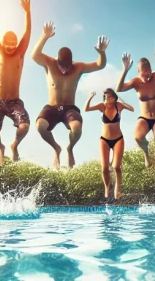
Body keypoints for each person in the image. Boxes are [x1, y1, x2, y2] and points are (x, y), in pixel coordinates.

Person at [32, 22, 109, 170]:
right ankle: (56, 148)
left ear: (71, 63)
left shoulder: (78, 67)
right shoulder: (49, 63)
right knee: (40, 126)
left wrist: (102, 52)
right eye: (62, 66)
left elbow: (100, 65)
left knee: (77, 129)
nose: (64, 70)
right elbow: (34, 55)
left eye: (67, 66)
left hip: (69, 109)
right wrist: (44, 36)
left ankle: (70, 148)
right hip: (52, 108)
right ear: (57, 61)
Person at [0, 0, 31, 166]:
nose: (11, 47)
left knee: (24, 126)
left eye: (14, 44)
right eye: (8, 43)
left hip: (14, 102)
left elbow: (27, 33)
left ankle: (14, 145)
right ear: (3, 43)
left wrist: (27, 12)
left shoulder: (20, 53)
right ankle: (1, 147)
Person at [116, 50, 155, 177]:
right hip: (144, 118)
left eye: (149, 69)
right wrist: (124, 70)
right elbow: (119, 89)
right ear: (138, 72)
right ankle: (146, 154)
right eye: (143, 69)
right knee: (138, 137)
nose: (147, 72)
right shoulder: (135, 82)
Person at [85, 89, 134, 201]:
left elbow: (132, 109)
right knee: (104, 168)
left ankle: (118, 188)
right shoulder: (102, 106)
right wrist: (90, 96)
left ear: (115, 98)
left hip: (118, 140)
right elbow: (86, 109)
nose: (108, 99)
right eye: (106, 97)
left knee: (116, 166)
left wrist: (122, 101)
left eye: (110, 97)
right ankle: (107, 187)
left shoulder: (119, 106)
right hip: (104, 140)